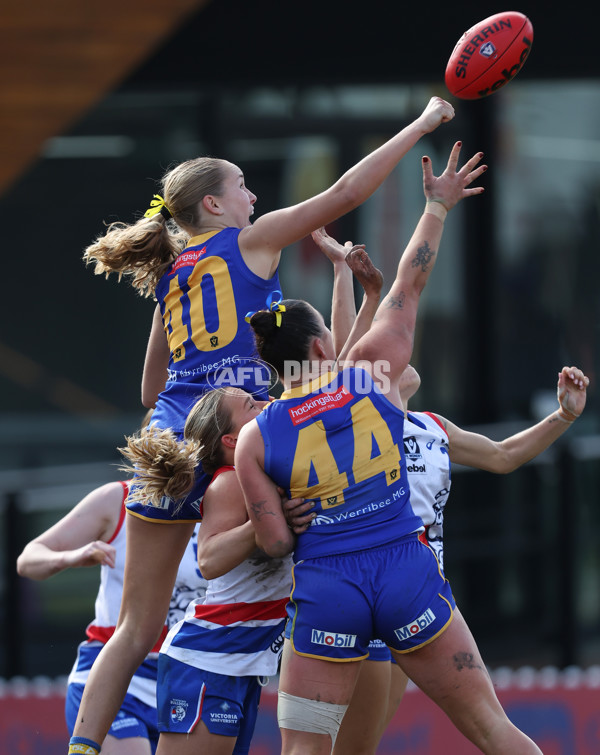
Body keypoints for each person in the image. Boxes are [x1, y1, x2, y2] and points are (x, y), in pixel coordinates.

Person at [69, 95, 457, 755]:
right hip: (232, 434)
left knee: (135, 627)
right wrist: (420, 125)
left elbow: (148, 388)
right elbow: (343, 191)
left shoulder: (170, 274)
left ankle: (82, 745)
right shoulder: (250, 241)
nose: (253, 193)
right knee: (331, 528)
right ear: (215, 206)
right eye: (241, 185)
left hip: (169, 434)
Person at [235, 143, 544, 754]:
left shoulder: (256, 433)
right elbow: (410, 281)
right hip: (407, 572)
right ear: (327, 350)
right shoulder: (372, 378)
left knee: (304, 752)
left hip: (328, 591)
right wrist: (436, 206)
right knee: (492, 729)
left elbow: (272, 542)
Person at [299, 229, 590, 755]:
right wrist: (345, 277)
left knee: (396, 739)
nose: (404, 354)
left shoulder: (434, 426)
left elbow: (503, 456)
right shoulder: (355, 416)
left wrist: (564, 417)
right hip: (361, 585)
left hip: (415, 593)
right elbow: (344, 358)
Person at [119, 387, 294, 755]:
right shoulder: (231, 479)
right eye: (252, 404)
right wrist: (265, 521)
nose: (267, 403)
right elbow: (209, 560)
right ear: (232, 440)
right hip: (207, 659)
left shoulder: (263, 474)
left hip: (239, 663)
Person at [16, 474, 205, 755]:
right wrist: (71, 557)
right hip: (116, 675)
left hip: (188, 679)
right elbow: (28, 559)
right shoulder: (119, 498)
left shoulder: (221, 501)